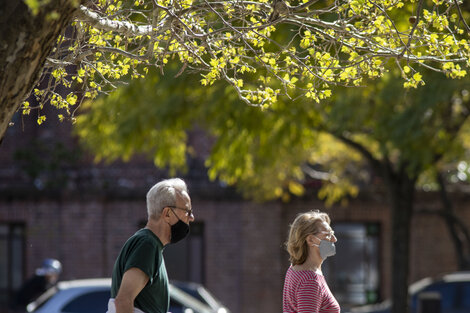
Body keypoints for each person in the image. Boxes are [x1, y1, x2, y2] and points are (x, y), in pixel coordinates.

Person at [107, 178, 194, 313]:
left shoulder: (151, 245)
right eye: (187, 211)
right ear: (168, 213)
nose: (192, 217)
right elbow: (123, 301)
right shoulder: (147, 245)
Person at [282, 210, 340, 313]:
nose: (334, 239)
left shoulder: (294, 269)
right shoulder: (310, 280)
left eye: (333, 233)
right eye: (328, 234)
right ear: (311, 240)